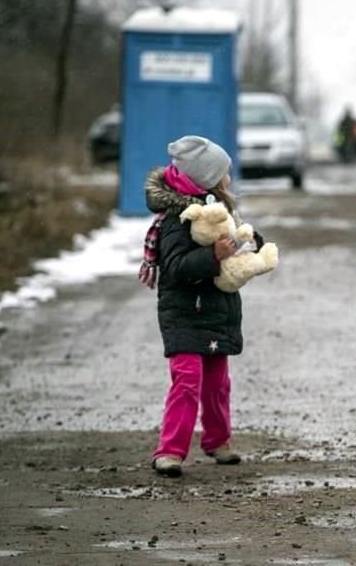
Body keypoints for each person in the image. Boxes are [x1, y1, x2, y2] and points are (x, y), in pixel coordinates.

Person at [141, 135, 266, 477]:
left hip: (215, 311)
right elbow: (176, 267)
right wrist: (213, 256)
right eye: (224, 172)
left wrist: (252, 243)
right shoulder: (177, 218)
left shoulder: (221, 211)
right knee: (187, 381)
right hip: (184, 312)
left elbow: (240, 235)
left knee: (217, 383)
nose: (229, 178)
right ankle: (170, 451)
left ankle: (218, 440)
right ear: (206, 178)